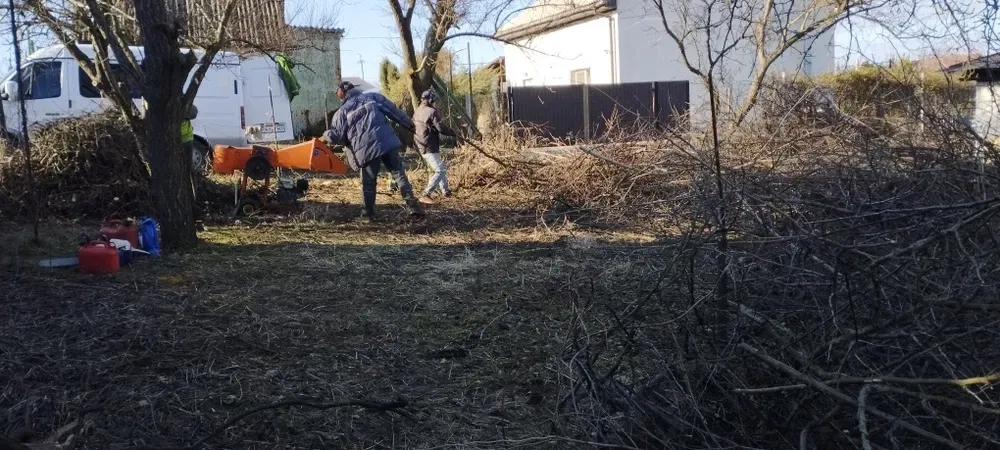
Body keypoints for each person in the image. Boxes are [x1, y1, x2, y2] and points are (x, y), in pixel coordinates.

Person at [324, 81, 423, 221]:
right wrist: (409, 124)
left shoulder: (342, 112)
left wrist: (325, 134)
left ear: (341, 93)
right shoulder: (373, 97)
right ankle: (413, 207)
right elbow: (393, 111)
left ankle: (367, 214)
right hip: (387, 143)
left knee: (369, 182)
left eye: (337, 93)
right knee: (399, 175)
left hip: (367, 150)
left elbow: (337, 136)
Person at [412, 89, 456, 204]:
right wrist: (452, 132)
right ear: (430, 100)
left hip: (420, 144)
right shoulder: (431, 111)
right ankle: (426, 194)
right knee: (440, 170)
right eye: (433, 100)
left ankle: (446, 191)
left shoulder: (417, 111)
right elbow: (441, 128)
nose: (434, 102)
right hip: (429, 144)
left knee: (441, 167)